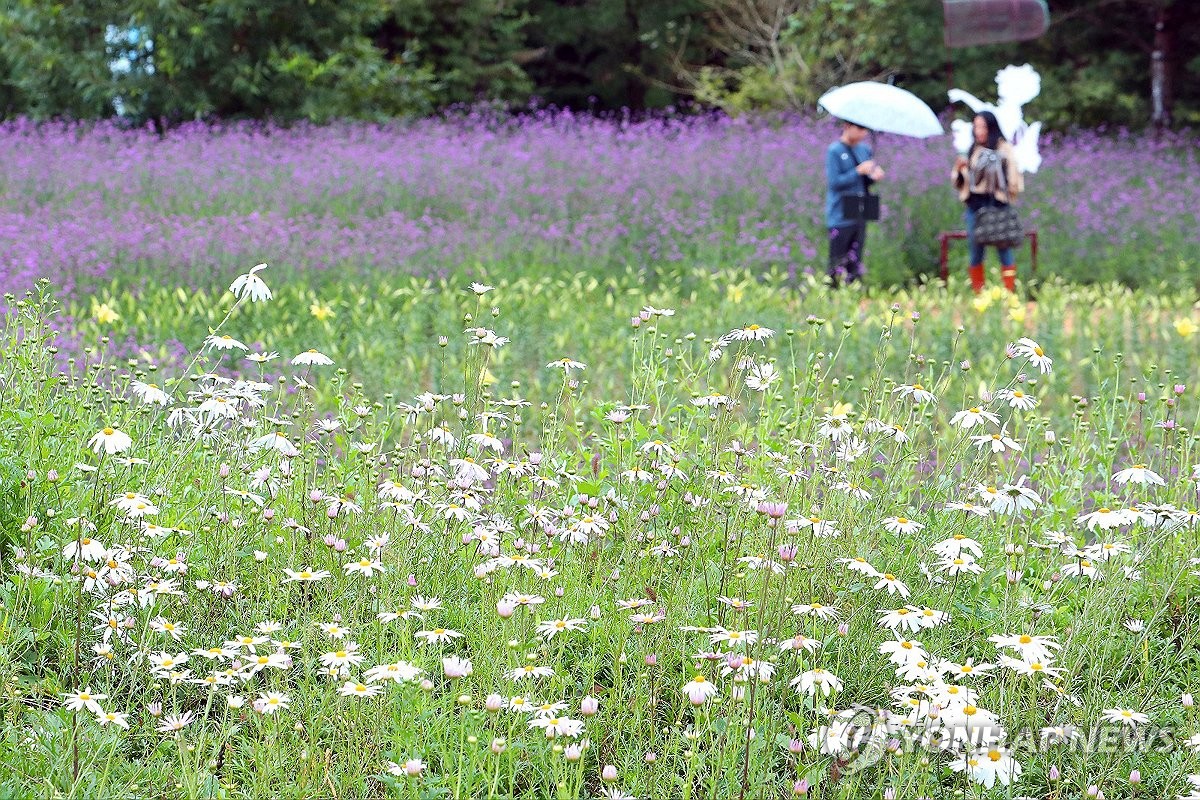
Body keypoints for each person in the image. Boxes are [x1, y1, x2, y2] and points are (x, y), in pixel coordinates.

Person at [952, 110, 1024, 294]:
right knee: (975, 251)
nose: (979, 131)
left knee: (1004, 249)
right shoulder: (972, 149)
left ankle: (1010, 294)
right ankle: (979, 295)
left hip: (997, 206)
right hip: (975, 208)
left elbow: (1013, 181)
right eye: (976, 127)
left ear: (991, 128)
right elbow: (964, 182)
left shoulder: (1003, 148)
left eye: (982, 126)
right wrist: (961, 170)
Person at [825, 121, 884, 286]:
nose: (863, 133)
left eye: (865, 129)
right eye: (859, 129)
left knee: (856, 259)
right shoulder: (834, 151)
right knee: (837, 260)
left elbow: (865, 182)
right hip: (841, 211)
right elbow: (835, 183)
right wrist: (858, 171)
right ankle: (831, 296)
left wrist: (873, 177)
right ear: (847, 126)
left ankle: (854, 294)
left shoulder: (864, 150)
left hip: (860, 208)